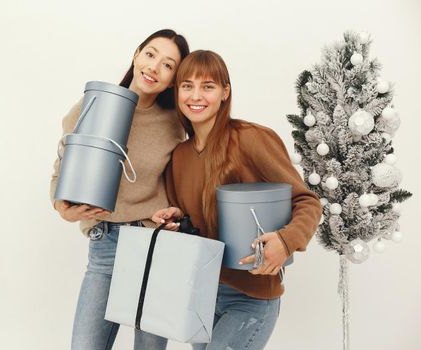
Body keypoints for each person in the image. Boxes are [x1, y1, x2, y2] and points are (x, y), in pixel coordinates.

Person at [152, 50, 322, 350]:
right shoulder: (179, 156)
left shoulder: (251, 138)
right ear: (177, 92)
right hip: (200, 296)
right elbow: (193, 226)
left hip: (250, 298)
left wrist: (285, 242)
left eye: (208, 86)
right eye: (187, 85)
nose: (196, 95)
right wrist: (175, 221)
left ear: (225, 92)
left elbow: (307, 202)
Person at [49, 29, 190, 350]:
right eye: (151, 55)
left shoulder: (175, 123)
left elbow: (186, 181)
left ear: (173, 80)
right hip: (105, 244)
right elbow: (61, 167)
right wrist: (62, 207)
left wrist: (178, 215)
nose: (154, 68)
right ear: (136, 54)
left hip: (155, 245)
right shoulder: (93, 103)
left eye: (168, 65)